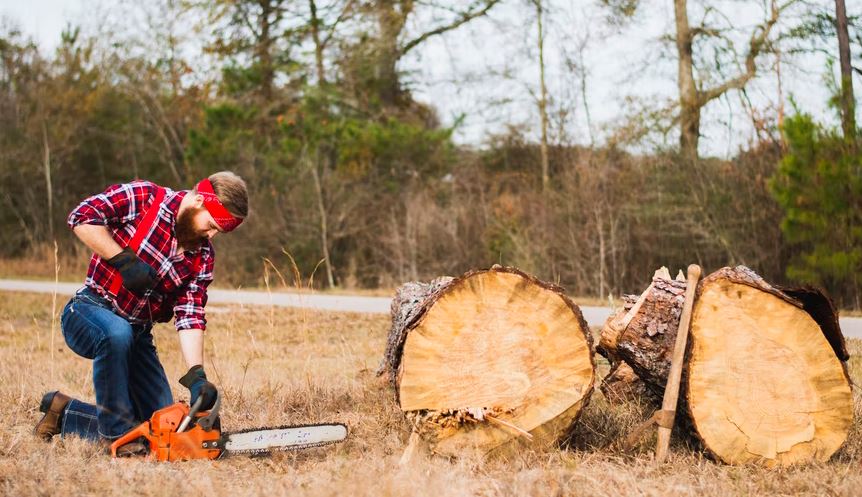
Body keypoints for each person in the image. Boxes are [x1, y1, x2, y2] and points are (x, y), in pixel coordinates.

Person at [34, 172, 248, 454]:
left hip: (137, 335)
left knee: (164, 432)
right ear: (199, 201)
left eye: (218, 231)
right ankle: (115, 437)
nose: (211, 235)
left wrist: (197, 374)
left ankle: (63, 412)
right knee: (116, 333)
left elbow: (190, 313)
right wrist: (122, 260)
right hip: (88, 310)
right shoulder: (145, 198)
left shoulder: (203, 256)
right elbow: (81, 216)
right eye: (210, 225)